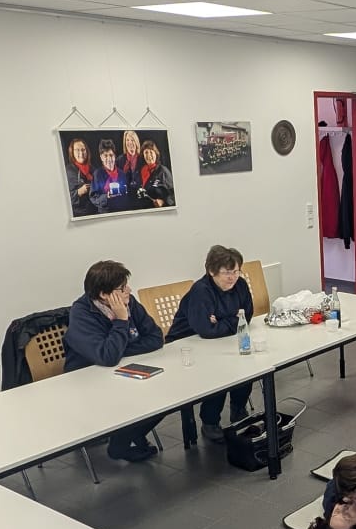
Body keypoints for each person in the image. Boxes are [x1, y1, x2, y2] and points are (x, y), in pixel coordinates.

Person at [64, 260, 166, 462]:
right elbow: (107, 357)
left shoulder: (129, 301)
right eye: (122, 288)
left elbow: (155, 338)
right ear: (104, 294)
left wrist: (120, 349)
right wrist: (121, 321)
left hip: (123, 369)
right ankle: (121, 444)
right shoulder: (82, 314)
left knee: (166, 396)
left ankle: (130, 435)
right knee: (142, 398)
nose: (128, 290)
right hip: (89, 380)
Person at [170, 244, 256, 443]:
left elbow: (247, 316)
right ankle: (209, 422)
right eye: (227, 272)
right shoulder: (201, 290)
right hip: (187, 345)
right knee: (220, 374)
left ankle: (238, 408)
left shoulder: (240, 285)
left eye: (236, 271)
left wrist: (221, 320)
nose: (232, 277)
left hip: (222, 341)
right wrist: (233, 319)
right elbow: (206, 331)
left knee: (247, 364)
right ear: (211, 271)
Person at [88, 139, 131, 213]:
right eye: (105, 155)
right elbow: (93, 197)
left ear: (115, 156)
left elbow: (127, 194)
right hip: (106, 213)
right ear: (101, 157)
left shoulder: (122, 174)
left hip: (122, 211)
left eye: (111, 155)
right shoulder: (97, 174)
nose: (109, 159)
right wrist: (106, 197)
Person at [136, 139, 174, 208]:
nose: (149, 155)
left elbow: (173, 195)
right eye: (146, 152)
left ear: (156, 153)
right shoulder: (140, 171)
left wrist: (163, 201)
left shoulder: (163, 171)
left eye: (151, 152)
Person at [64, 136, 94, 217]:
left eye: (83, 150)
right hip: (80, 214)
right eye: (77, 150)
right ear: (72, 152)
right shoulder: (68, 171)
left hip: (94, 211)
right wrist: (79, 192)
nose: (81, 153)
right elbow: (63, 199)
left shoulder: (93, 169)